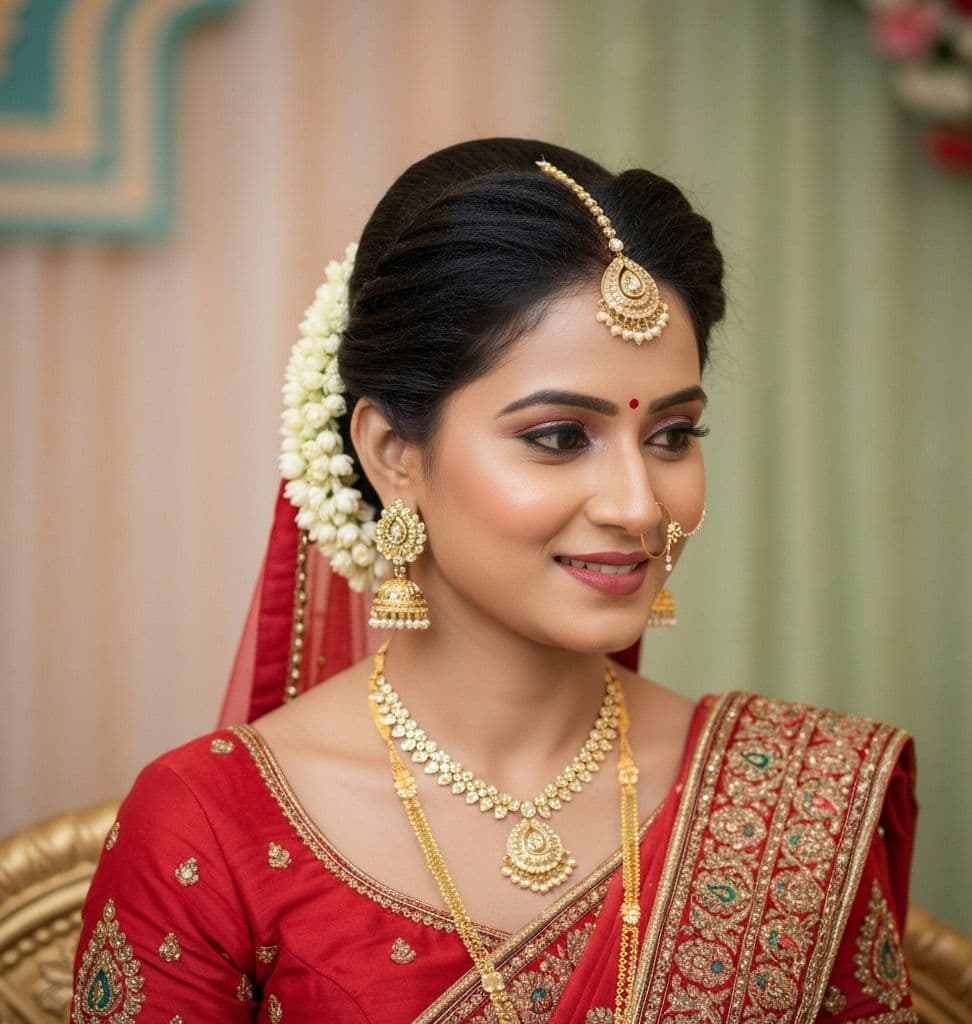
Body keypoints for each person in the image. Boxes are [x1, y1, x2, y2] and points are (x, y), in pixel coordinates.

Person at [70, 139, 917, 1024]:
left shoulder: (790, 810)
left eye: (671, 436)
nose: (638, 505)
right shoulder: (210, 828)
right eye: (558, 436)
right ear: (394, 454)